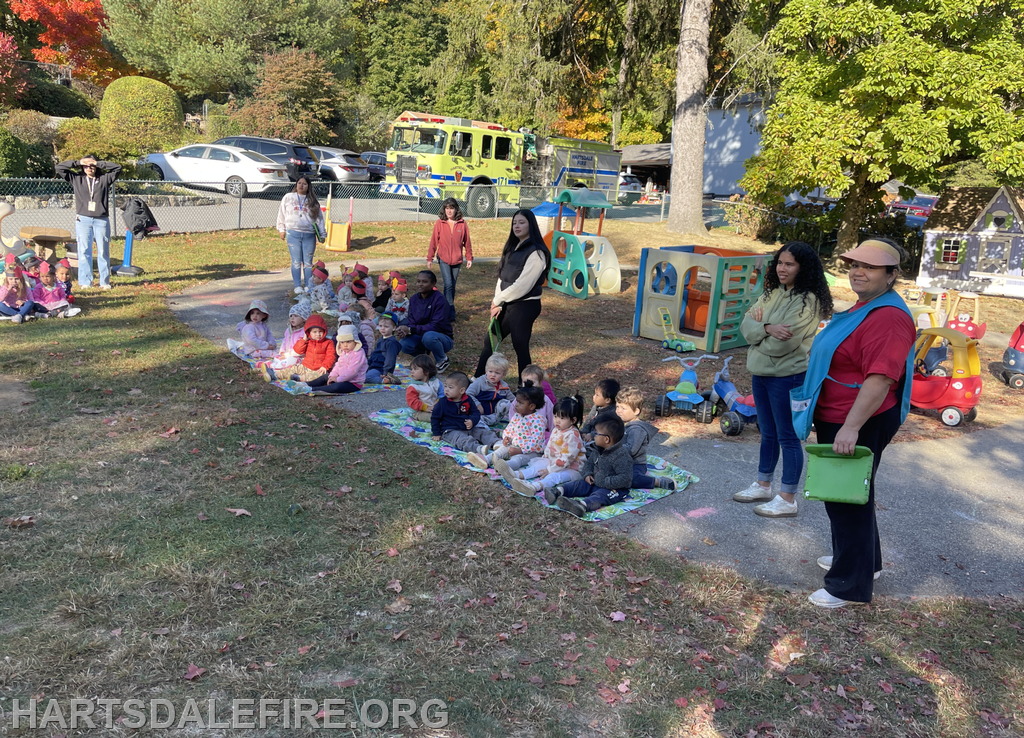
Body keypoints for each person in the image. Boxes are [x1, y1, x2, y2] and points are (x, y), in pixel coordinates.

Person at [792, 238, 916, 609]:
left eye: (871, 266)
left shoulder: (889, 317)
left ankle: (848, 585)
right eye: (854, 264)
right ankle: (866, 562)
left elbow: (880, 379)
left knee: (844, 499)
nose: (858, 271)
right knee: (855, 492)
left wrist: (850, 427)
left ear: (892, 275)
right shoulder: (869, 305)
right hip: (844, 414)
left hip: (858, 418)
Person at [734, 241, 834, 518]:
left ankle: (787, 497)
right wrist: (766, 327)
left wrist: (757, 339)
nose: (782, 268)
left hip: (787, 377)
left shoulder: (807, 301)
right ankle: (763, 484)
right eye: (780, 262)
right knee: (767, 432)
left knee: (787, 437)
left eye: (789, 264)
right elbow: (745, 325)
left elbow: (783, 346)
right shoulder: (772, 293)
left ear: (803, 268)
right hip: (762, 374)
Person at [474, 209, 550, 381]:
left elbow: (523, 286)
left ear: (531, 225)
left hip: (525, 305)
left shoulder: (537, 252)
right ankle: (478, 380)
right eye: (514, 222)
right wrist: (498, 303)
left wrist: (498, 300)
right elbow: (502, 277)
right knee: (490, 340)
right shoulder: (512, 247)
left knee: (520, 346)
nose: (517, 226)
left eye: (521, 222)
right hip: (506, 303)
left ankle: (527, 387)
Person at [497, 395, 587, 496]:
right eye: (556, 416)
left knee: (554, 476)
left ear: (573, 420)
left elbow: (566, 458)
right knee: (538, 466)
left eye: (562, 418)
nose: (557, 420)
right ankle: (516, 475)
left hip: (572, 469)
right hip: (555, 462)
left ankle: (535, 486)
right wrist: (545, 459)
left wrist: (550, 469)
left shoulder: (573, 436)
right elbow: (550, 446)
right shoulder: (557, 429)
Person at [56, 155, 121, 290]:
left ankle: (104, 281)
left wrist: (99, 163)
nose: (89, 168)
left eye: (92, 166)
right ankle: (86, 281)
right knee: (84, 250)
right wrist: (77, 162)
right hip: (83, 219)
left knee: (103, 250)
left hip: (101, 219)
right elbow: (59, 167)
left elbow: (117, 168)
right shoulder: (77, 179)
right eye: (86, 165)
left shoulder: (104, 179)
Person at [549, 415, 634, 516]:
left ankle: (581, 505)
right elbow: (589, 463)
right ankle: (558, 491)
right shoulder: (598, 449)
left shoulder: (622, 456)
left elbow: (625, 478)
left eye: (596, 433)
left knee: (600, 496)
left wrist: (605, 482)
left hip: (615, 489)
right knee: (579, 484)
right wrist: (587, 474)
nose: (593, 435)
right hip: (594, 482)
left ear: (606, 439)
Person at [430, 371, 500, 467]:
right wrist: (436, 433)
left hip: (468, 427)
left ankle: (496, 443)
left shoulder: (468, 400)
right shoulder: (442, 402)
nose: (446, 390)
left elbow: (475, 413)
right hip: (450, 430)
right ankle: (478, 449)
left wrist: (472, 421)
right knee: (462, 440)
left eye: (450, 387)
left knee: (482, 432)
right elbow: (435, 418)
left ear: (462, 391)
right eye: (445, 386)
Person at [616, 388, 676, 491]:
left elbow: (631, 450)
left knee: (630, 479)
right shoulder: (622, 424)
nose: (618, 411)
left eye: (623, 408)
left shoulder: (637, 430)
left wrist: (613, 448)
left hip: (636, 464)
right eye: (617, 407)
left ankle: (659, 482)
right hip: (621, 462)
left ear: (636, 411)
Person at [395, 270, 454, 372]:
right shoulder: (413, 299)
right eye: (418, 281)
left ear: (433, 284)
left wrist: (411, 330)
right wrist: (405, 330)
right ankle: (424, 360)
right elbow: (411, 320)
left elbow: (436, 326)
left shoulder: (440, 300)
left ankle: (442, 360)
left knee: (429, 336)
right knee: (404, 344)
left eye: (424, 281)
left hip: (442, 337)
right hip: (421, 335)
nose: (420, 284)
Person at [276, 176, 325, 294]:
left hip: (309, 235)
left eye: (304, 184)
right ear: (296, 184)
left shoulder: (312, 201)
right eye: (299, 183)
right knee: (296, 261)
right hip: (293, 233)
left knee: (308, 263)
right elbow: (281, 214)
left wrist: (322, 233)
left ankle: (309, 285)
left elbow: (319, 218)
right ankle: (297, 285)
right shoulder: (288, 197)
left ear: (308, 186)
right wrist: (281, 229)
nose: (301, 185)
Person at [427, 197, 473, 319]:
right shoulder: (439, 223)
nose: (449, 211)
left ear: (456, 209)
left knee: (452, 285)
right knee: (448, 284)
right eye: (447, 208)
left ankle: (444, 308)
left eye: (451, 208)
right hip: (443, 258)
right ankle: (450, 311)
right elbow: (433, 242)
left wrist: (469, 258)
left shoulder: (462, 224)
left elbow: (467, 242)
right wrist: (429, 258)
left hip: (457, 259)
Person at [486, 384, 547, 468]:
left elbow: (535, 441)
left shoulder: (538, 420)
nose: (516, 405)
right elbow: (510, 428)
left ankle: (504, 468)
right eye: (517, 401)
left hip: (532, 452)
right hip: (514, 447)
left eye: (520, 403)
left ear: (531, 406)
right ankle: (485, 460)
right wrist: (506, 438)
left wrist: (521, 450)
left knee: (518, 459)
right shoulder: (518, 415)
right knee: (500, 451)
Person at [264, 315, 335, 383]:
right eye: (314, 332)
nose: (318, 334)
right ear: (308, 332)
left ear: (324, 331)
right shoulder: (307, 341)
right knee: (293, 369)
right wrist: (304, 340)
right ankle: (274, 374)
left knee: (319, 376)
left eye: (320, 331)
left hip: (319, 369)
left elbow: (330, 356)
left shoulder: (328, 342)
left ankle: (298, 378)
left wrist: (325, 366)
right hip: (305, 366)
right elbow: (298, 350)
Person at [308, 325, 368, 395]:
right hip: (339, 378)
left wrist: (338, 379)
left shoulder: (359, 353)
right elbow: (338, 365)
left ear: (355, 341)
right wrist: (332, 376)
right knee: (325, 377)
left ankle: (312, 389)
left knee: (336, 387)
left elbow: (352, 372)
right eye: (342, 342)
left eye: (348, 342)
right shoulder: (344, 352)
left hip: (353, 383)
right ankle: (307, 384)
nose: (345, 345)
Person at [261, 301, 311, 373]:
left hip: (299, 357)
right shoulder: (289, 329)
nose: (292, 318)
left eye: (295, 316)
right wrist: (282, 350)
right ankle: (273, 365)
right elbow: (285, 340)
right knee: (278, 357)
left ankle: (271, 366)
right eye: (291, 316)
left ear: (304, 318)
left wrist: (287, 355)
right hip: (287, 354)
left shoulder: (304, 333)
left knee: (292, 360)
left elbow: (300, 351)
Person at [467, 353, 515, 426]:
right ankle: (481, 424)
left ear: (503, 375)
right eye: (490, 371)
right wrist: (477, 404)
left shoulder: (504, 386)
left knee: (506, 403)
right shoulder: (479, 382)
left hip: (496, 416)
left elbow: (513, 400)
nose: (493, 375)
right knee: (476, 422)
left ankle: (505, 422)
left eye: (497, 373)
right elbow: (468, 394)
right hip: (480, 414)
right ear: (486, 371)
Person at [509, 364, 555, 433]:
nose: (528, 386)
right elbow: (512, 414)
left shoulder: (545, 399)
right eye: (525, 383)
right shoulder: (518, 399)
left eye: (532, 383)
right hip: (521, 432)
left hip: (540, 432)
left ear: (540, 384)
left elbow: (551, 417)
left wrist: (553, 434)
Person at [365, 312, 402, 384]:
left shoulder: (391, 343)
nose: (382, 328)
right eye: (380, 326)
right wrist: (368, 365)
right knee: (357, 375)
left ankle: (387, 380)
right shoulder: (381, 339)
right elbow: (374, 354)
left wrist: (386, 373)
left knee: (366, 377)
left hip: (381, 369)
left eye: (386, 327)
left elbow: (390, 359)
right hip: (373, 366)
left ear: (394, 328)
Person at [406, 354, 443, 421]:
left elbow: (442, 394)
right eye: (411, 369)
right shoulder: (413, 386)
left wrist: (438, 402)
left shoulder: (436, 382)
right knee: (435, 418)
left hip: (435, 408)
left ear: (426, 371)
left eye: (415, 369)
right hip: (419, 411)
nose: (412, 371)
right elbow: (412, 402)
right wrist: (426, 408)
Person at [0, 257, 35, 323]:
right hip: (9, 309)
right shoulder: (5, 287)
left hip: (21, 308)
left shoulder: (26, 288)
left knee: (30, 303)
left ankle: (20, 315)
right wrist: (7, 290)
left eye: (16, 279)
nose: (14, 281)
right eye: (11, 279)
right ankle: (21, 316)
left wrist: (24, 302)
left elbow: (31, 300)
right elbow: (1, 299)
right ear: (7, 279)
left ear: (21, 279)